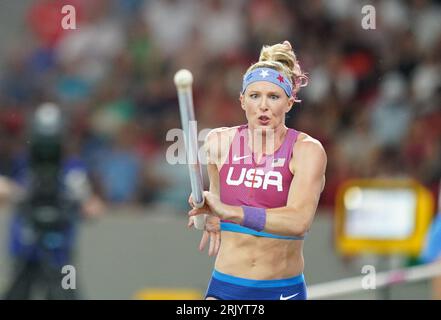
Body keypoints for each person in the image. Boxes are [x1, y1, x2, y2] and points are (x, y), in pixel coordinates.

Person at [187, 41, 327, 300]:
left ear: (289, 102)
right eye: (254, 96)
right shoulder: (219, 143)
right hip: (226, 287)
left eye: (273, 97)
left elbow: (298, 222)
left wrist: (230, 212)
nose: (263, 106)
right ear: (242, 101)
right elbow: (216, 205)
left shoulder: (307, 150)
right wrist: (210, 213)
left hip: (281, 291)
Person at [0, 103, 103, 300]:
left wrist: (78, 198)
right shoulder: (21, 163)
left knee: (66, 294)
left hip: (60, 254)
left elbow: (93, 208)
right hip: (25, 251)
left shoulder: (73, 168)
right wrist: (17, 192)